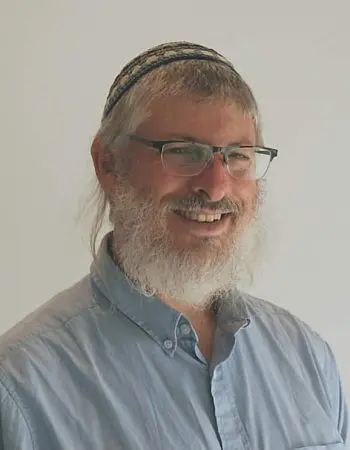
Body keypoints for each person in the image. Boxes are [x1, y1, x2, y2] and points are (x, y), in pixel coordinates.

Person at [0, 41, 348, 450]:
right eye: (183, 152)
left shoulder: (307, 357)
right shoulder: (20, 388)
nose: (216, 187)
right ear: (109, 164)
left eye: (237, 156)